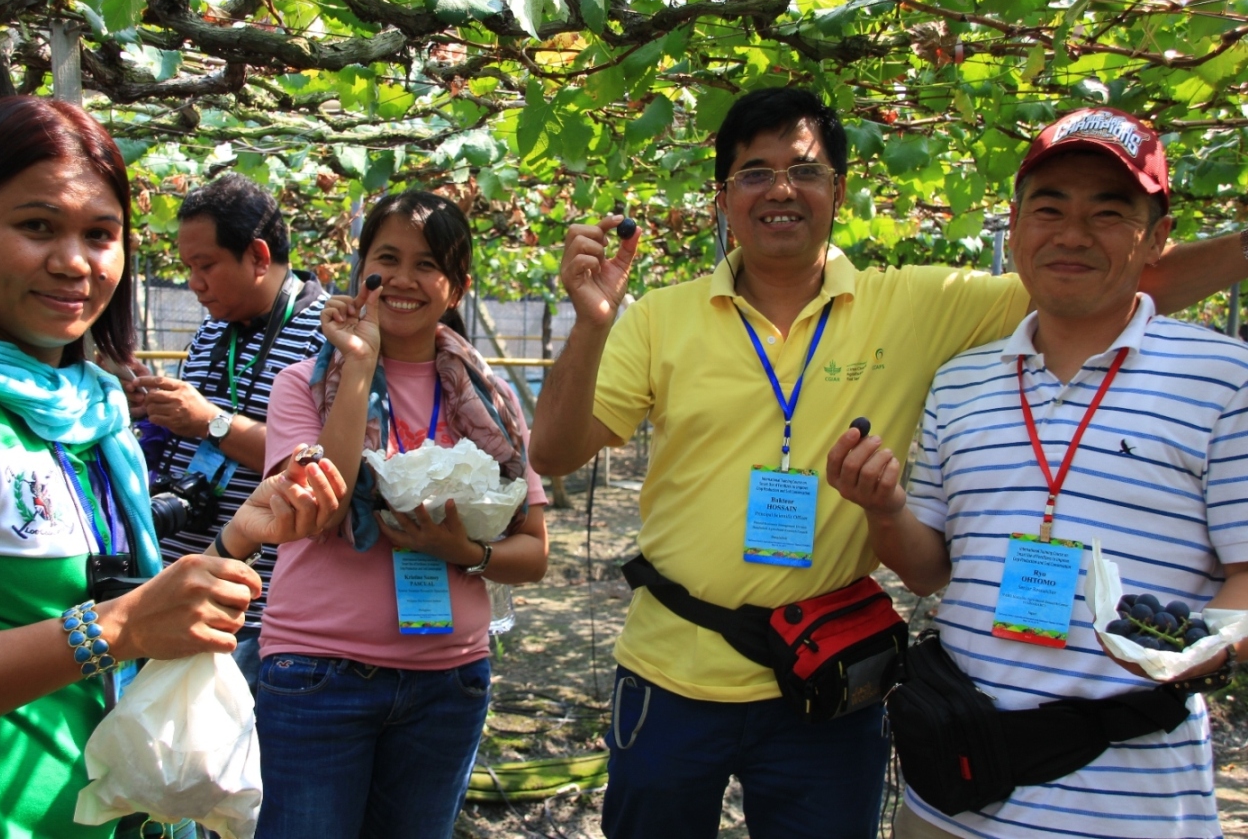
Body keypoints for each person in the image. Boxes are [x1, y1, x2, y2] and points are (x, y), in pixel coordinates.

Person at [528, 87, 1248, 839]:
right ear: (722, 196)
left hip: (827, 675)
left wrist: (1242, 249)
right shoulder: (659, 316)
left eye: (804, 170)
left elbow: (1098, 277)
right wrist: (592, 324)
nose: (780, 189)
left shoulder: (914, 302)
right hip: (671, 665)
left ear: (839, 191)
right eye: (754, 172)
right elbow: (554, 451)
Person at [0, 96, 347, 839]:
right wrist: (114, 629)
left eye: (101, 234)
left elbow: (103, 601)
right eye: (36, 226)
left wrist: (235, 540)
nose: (74, 261)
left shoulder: (91, 412)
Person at [828, 108, 1248, 838]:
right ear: (1016, 227)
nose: (1072, 234)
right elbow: (928, 571)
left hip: (1129, 807)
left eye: (1109, 213)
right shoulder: (960, 382)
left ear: (1157, 236)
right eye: (1048, 208)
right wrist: (885, 508)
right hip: (953, 794)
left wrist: (1205, 642)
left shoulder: (1223, 377)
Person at [254, 190, 550, 839]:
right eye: (387, 259)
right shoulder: (302, 383)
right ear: (361, 271)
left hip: (449, 685)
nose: (406, 279)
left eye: (428, 264)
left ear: (457, 287)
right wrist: (358, 364)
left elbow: (534, 550)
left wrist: (467, 552)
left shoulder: (492, 402)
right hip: (317, 675)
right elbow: (320, 503)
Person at [129, 172, 328, 686]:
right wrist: (151, 411)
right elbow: (194, 427)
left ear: (259, 256)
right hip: (180, 583)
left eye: (206, 265)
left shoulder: (327, 334)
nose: (194, 282)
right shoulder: (214, 327)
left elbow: (322, 470)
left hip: (257, 607)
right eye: (188, 266)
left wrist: (211, 422)